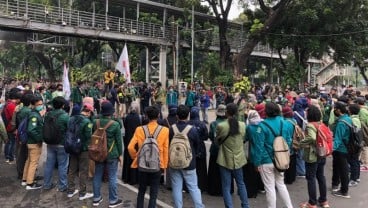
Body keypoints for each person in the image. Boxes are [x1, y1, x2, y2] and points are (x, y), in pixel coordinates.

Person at [253, 102, 293, 208]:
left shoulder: (261, 126)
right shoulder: (284, 123)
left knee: (269, 188)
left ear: (266, 112)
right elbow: (288, 141)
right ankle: (289, 206)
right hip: (281, 160)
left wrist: (256, 163)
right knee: (281, 184)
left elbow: (259, 146)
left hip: (266, 161)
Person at [128, 105, 169, 208]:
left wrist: (136, 157)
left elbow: (130, 147)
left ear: (146, 116)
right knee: (154, 191)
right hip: (157, 164)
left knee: (141, 190)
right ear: (158, 115)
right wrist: (164, 166)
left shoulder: (139, 129)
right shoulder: (165, 130)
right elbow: (165, 150)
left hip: (142, 164)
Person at [169, 105, 204, 208]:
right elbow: (197, 144)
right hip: (189, 162)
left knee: (176, 187)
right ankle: (199, 206)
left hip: (174, 161)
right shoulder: (192, 130)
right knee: (193, 187)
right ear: (188, 115)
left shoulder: (172, 129)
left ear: (177, 116)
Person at [215, 103, 249, 208]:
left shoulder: (221, 126)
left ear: (226, 112)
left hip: (224, 159)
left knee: (226, 186)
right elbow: (243, 139)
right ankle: (245, 205)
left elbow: (217, 141)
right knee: (241, 183)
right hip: (238, 158)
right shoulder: (243, 125)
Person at [92, 101, 123, 207]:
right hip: (112, 153)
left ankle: (96, 198)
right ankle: (113, 200)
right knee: (112, 177)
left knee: (97, 175)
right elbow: (119, 141)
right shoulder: (115, 125)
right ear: (111, 112)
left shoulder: (95, 122)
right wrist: (120, 154)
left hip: (98, 153)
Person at [299, 105, 330, 208]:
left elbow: (311, 137)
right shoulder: (321, 124)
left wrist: (301, 142)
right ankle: (323, 200)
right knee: (321, 176)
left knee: (311, 178)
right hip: (322, 153)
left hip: (313, 155)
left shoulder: (310, 125)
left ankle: (312, 203)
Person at [66, 104, 94, 200]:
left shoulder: (71, 119)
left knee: (71, 169)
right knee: (83, 170)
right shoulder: (87, 122)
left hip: (71, 147)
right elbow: (88, 136)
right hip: (83, 149)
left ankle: (70, 190)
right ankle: (82, 193)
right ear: (89, 112)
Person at [43, 96, 70, 191]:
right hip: (62, 144)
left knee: (49, 164)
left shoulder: (48, 114)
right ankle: (62, 186)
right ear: (63, 105)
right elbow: (70, 129)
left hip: (50, 143)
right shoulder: (65, 116)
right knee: (62, 165)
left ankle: (47, 184)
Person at [22, 96, 46, 190]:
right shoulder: (34, 116)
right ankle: (30, 183)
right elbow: (31, 130)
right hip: (34, 142)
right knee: (33, 163)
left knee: (29, 161)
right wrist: (39, 139)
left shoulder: (35, 114)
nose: (41, 106)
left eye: (41, 104)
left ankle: (25, 179)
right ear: (33, 105)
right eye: (39, 104)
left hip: (31, 142)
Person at [331, 101, 352, 198]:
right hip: (347, 148)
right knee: (341, 168)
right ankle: (337, 185)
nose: (334, 110)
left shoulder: (341, 123)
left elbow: (338, 139)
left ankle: (344, 191)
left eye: (335, 108)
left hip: (341, 149)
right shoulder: (348, 119)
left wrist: (331, 149)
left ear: (339, 110)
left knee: (343, 170)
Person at [207, 104, 228, 196]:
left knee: (214, 171)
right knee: (226, 171)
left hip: (215, 150)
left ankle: (213, 189)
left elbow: (211, 136)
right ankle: (227, 189)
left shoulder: (213, 124)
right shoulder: (229, 123)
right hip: (227, 150)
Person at [188, 106, 208, 193]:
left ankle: (189, 186)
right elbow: (206, 137)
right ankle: (202, 186)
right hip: (200, 148)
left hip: (190, 147)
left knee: (190, 169)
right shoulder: (202, 124)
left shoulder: (187, 124)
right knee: (201, 168)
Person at [121, 105, 142, 185]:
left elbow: (125, 126)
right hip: (136, 139)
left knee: (127, 158)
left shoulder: (127, 117)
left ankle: (126, 177)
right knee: (136, 158)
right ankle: (134, 178)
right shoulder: (139, 117)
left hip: (128, 138)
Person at [15, 93, 33, 180]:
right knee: (25, 155)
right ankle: (24, 174)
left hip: (20, 134)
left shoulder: (20, 109)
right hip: (25, 135)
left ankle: (21, 172)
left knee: (21, 154)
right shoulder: (28, 112)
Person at [3, 88, 22, 164]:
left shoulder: (8, 103)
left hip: (8, 126)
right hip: (10, 127)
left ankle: (8, 156)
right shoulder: (12, 106)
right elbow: (13, 117)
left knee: (9, 142)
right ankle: (10, 157)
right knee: (11, 142)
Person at [347, 103, 361, 187]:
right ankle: (357, 177)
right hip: (358, 143)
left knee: (353, 161)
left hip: (353, 144)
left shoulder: (352, 120)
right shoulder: (357, 118)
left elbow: (353, 133)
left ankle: (353, 179)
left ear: (351, 111)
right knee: (356, 161)